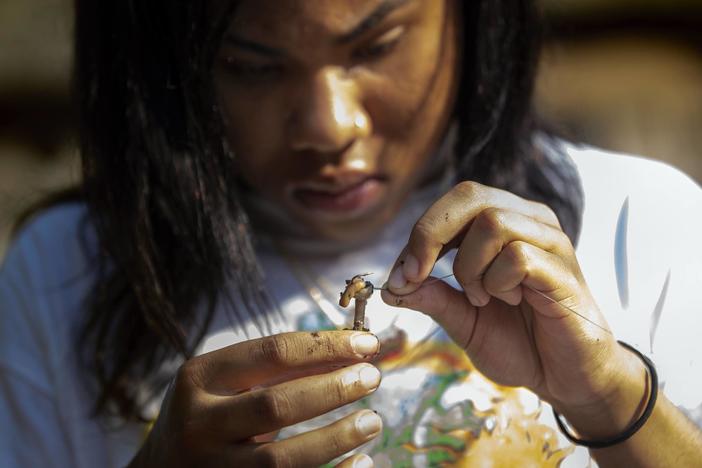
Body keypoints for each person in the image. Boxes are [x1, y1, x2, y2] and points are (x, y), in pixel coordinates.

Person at [1, 0, 701, 466]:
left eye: (376, 46)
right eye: (252, 65)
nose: (329, 126)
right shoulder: (64, 270)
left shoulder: (638, 216)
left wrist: (609, 395)